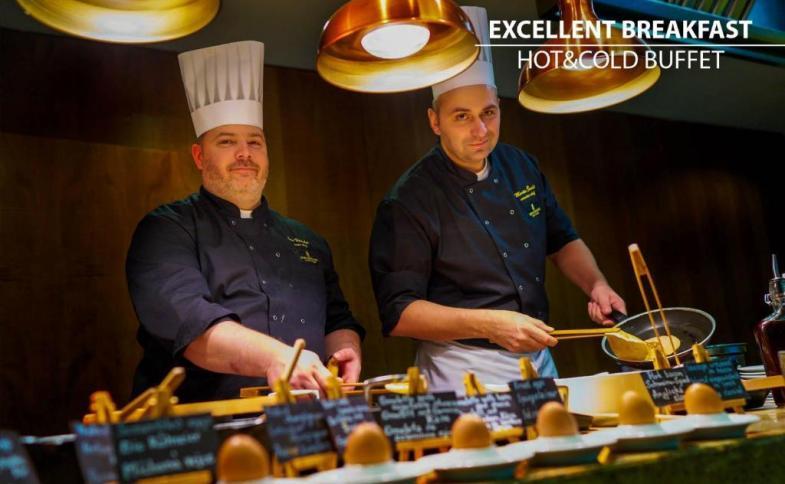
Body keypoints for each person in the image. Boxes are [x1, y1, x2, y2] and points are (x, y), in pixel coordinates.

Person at [369, 7, 625, 393]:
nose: (481, 130)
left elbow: (561, 240)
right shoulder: (409, 200)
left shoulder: (521, 165)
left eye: (488, 113)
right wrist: (489, 324)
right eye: (462, 117)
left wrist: (597, 284)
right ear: (434, 121)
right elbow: (400, 313)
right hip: (461, 368)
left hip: (539, 358)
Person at [127, 41, 364, 402]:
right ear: (198, 156)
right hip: (204, 421)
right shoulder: (166, 230)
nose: (244, 154)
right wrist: (278, 358)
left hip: (305, 418)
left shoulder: (309, 240)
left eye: (255, 142)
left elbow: (337, 319)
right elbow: (192, 326)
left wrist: (346, 349)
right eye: (227, 142)